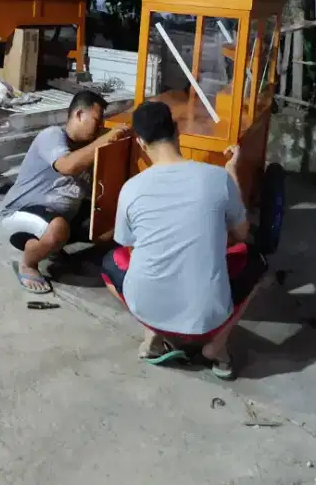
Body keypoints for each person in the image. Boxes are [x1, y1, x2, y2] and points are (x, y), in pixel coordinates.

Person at [101, 100, 267, 379]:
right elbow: (241, 234)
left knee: (110, 261)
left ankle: (152, 333)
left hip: (146, 305)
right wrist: (232, 173)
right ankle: (217, 348)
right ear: (177, 130)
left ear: (140, 142)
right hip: (208, 316)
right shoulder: (217, 178)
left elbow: (128, 243)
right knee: (256, 262)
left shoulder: (130, 189)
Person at [0, 89, 128, 293]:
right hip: (19, 213)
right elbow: (67, 166)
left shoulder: (89, 149)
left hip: (60, 215)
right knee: (58, 228)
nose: (100, 127)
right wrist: (106, 139)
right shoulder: (52, 136)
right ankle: (28, 264)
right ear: (79, 115)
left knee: (115, 221)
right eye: (97, 120)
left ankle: (57, 252)